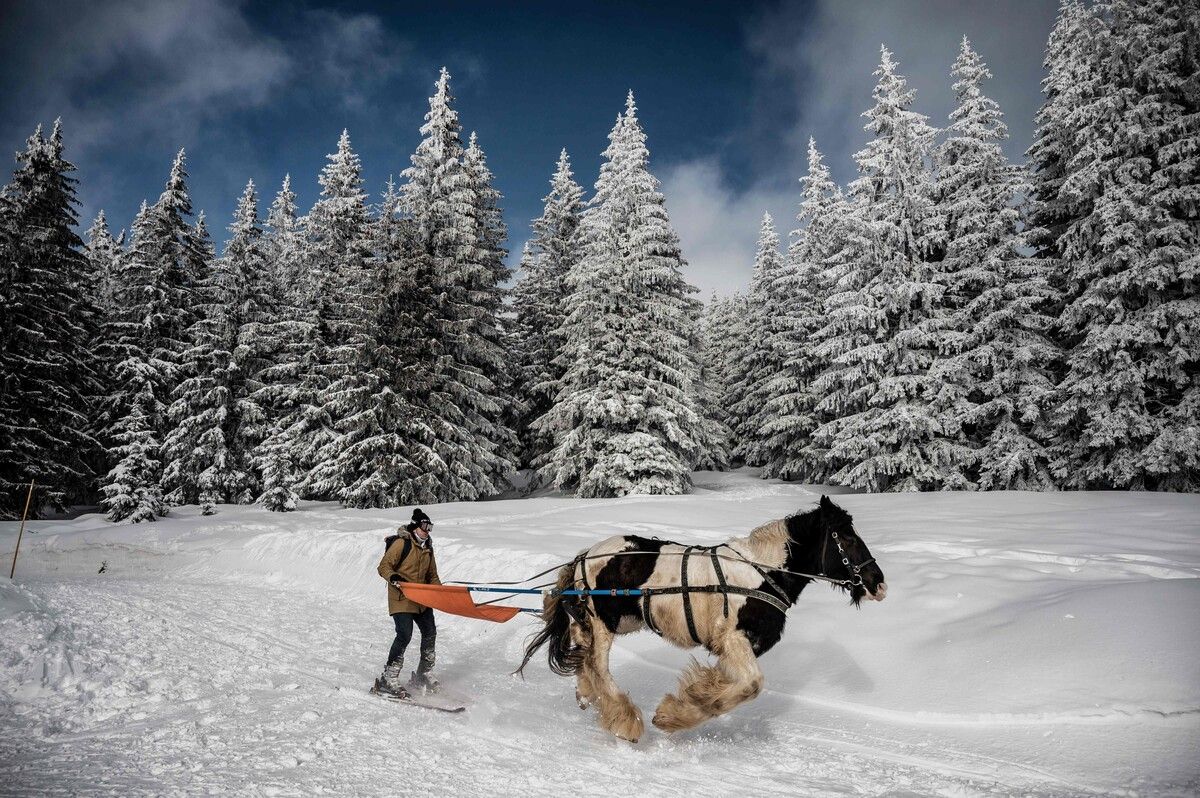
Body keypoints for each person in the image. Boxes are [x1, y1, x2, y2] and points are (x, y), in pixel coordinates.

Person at [373, 508, 442, 699]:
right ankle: (389, 677)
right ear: (415, 526)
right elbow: (383, 566)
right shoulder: (401, 543)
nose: (427, 530)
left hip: (422, 598)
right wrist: (393, 577)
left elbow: (432, 575)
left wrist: (440, 593)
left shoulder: (428, 547)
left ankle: (424, 674)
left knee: (430, 632)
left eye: (430, 527)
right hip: (401, 597)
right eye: (424, 526)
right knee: (404, 634)